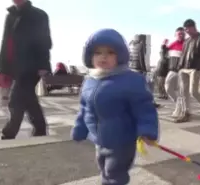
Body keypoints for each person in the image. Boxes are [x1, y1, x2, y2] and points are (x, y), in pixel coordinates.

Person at [71, 28, 158, 185]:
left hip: (121, 140)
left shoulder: (131, 80)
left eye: (110, 52)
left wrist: (147, 130)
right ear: (90, 56)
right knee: (104, 169)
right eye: (98, 53)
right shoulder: (90, 80)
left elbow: (144, 108)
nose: (103, 57)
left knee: (114, 174)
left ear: (120, 56)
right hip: (99, 140)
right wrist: (80, 128)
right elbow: (84, 108)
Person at [0, 0, 52, 139]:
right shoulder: (10, 16)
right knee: (29, 99)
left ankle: (9, 133)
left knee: (15, 100)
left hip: (33, 66)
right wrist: (3, 68)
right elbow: (6, 42)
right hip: (15, 66)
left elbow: (44, 40)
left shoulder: (39, 15)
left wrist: (43, 64)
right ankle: (40, 129)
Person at [175, 19, 200, 123]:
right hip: (184, 69)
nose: (186, 31)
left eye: (187, 29)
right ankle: (186, 113)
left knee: (193, 92)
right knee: (184, 92)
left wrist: (198, 66)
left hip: (195, 68)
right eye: (185, 29)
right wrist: (180, 67)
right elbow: (183, 54)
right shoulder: (187, 41)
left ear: (193, 27)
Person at [129, 34, 161, 108]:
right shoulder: (140, 45)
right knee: (149, 85)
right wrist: (144, 70)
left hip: (131, 69)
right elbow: (141, 58)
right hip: (139, 70)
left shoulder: (130, 45)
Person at [163, 27, 185, 117]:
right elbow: (164, 56)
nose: (181, 35)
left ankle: (180, 109)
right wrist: (163, 46)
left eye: (182, 34)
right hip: (172, 70)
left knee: (181, 91)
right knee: (168, 87)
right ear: (175, 35)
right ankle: (178, 104)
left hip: (183, 72)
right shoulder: (172, 45)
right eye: (179, 33)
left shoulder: (187, 44)